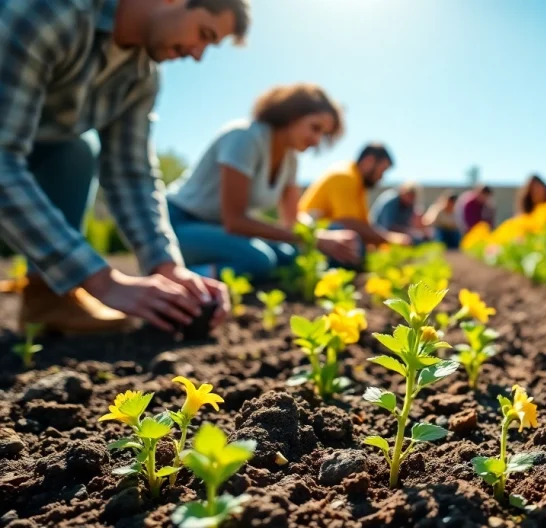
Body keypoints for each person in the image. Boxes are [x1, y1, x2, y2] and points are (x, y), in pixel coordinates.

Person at [0, 0, 251, 334]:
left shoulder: (141, 77)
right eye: (203, 34)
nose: (198, 55)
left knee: (74, 150)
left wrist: (166, 266)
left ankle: (47, 297)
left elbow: (131, 173)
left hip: (28, 149)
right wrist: (102, 280)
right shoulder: (52, 14)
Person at [166, 84, 359, 281]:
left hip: (218, 229)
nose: (317, 141)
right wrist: (314, 239)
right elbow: (235, 221)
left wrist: (322, 234)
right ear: (292, 115)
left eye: (323, 134)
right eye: (315, 128)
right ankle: (180, 280)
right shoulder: (245, 137)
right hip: (177, 223)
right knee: (258, 260)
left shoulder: (290, 159)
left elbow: (293, 219)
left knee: (287, 256)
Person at [299, 143, 412, 250]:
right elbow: (348, 223)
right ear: (369, 161)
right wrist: (390, 239)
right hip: (307, 235)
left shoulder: (358, 184)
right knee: (349, 237)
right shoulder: (344, 176)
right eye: (382, 170)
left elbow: (364, 224)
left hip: (320, 236)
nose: (381, 177)